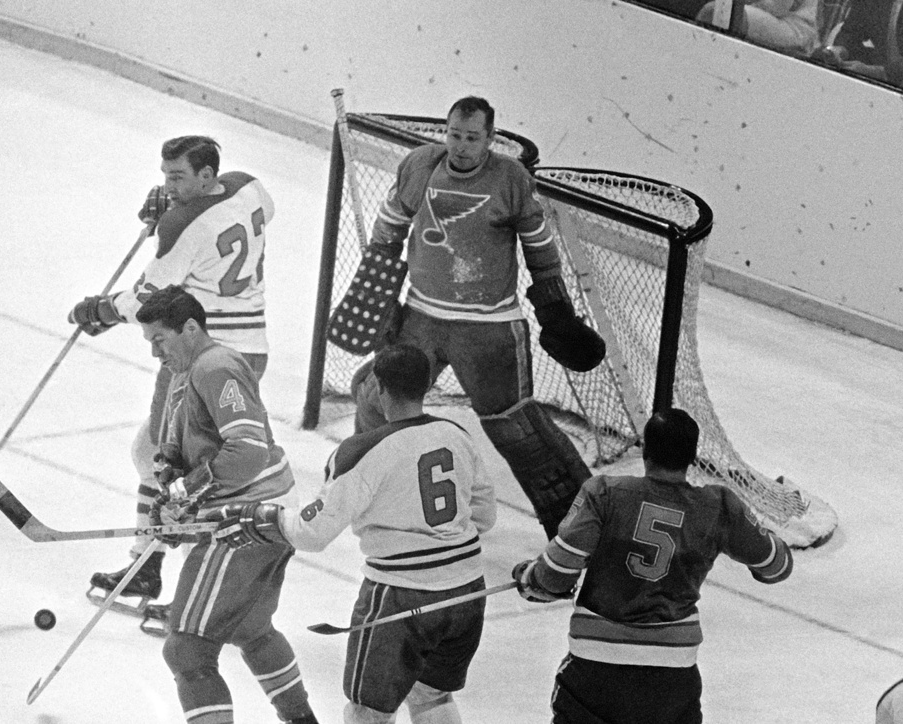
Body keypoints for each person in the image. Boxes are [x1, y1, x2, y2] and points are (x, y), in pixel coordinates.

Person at [350, 95, 605, 541]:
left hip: (488, 328)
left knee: (517, 430)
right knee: (376, 397)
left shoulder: (510, 179)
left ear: (490, 138)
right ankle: (371, 494)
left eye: (472, 137)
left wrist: (554, 309)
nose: (461, 146)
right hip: (422, 318)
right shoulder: (420, 166)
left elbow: (540, 249)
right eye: (454, 135)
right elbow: (388, 230)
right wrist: (379, 292)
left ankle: (581, 528)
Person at [213, 343, 498, 724]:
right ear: (428, 385)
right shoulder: (456, 434)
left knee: (368, 711)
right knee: (432, 696)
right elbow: (485, 515)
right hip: (467, 592)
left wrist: (263, 516)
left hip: (400, 597)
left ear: (377, 387)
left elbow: (312, 533)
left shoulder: (363, 452)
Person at [67, 135, 276, 609]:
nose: (168, 185)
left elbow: (149, 299)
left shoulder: (182, 226)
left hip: (199, 355)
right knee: (156, 453)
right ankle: (154, 561)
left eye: (177, 177)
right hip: (251, 350)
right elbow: (231, 217)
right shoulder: (251, 187)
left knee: (167, 461)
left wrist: (102, 308)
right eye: (165, 175)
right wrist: (176, 204)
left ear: (206, 175)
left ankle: (156, 569)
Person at [512, 408, 793, 723]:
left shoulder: (604, 492)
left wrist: (529, 577)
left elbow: (555, 576)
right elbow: (777, 567)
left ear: (645, 450)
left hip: (595, 668)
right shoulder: (719, 506)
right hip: (671, 677)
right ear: (692, 456)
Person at [135, 285, 318, 724]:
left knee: (187, 649)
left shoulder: (216, 366)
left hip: (247, 517)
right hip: (258, 511)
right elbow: (188, 449)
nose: (155, 352)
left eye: (160, 340)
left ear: (191, 328)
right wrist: (170, 484)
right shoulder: (190, 369)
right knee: (251, 630)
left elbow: (248, 449)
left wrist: (186, 493)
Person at [697, 0, 820, 56]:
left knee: (715, 13)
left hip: (794, 26)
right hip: (771, 14)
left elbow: (778, 7)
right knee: (716, 11)